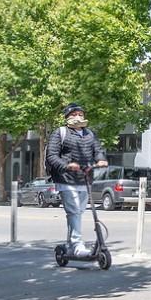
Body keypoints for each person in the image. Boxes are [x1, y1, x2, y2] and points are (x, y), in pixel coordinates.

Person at [45, 103, 108, 257]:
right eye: (73, 114)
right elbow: (52, 156)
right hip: (66, 179)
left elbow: (97, 150)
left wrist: (100, 159)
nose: (78, 117)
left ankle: (70, 245)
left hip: (84, 178)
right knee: (73, 211)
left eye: (80, 114)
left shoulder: (90, 134)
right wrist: (66, 165)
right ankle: (78, 246)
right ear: (67, 117)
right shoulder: (60, 133)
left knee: (78, 213)